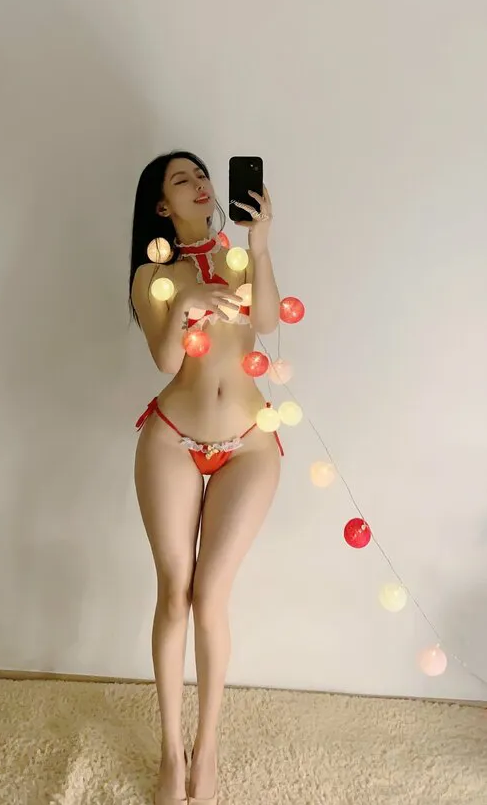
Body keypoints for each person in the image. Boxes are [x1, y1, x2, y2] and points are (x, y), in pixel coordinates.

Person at [129, 152, 283, 805]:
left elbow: (267, 323)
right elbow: (166, 358)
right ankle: (170, 750)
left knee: (210, 594)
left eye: (201, 175)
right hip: (172, 439)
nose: (198, 184)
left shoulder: (240, 257)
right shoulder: (152, 274)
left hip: (249, 444)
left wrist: (260, 243)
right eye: (181, 179)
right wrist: (185, 301)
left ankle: (207, 746)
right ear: (161, 205)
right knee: (175, 593)